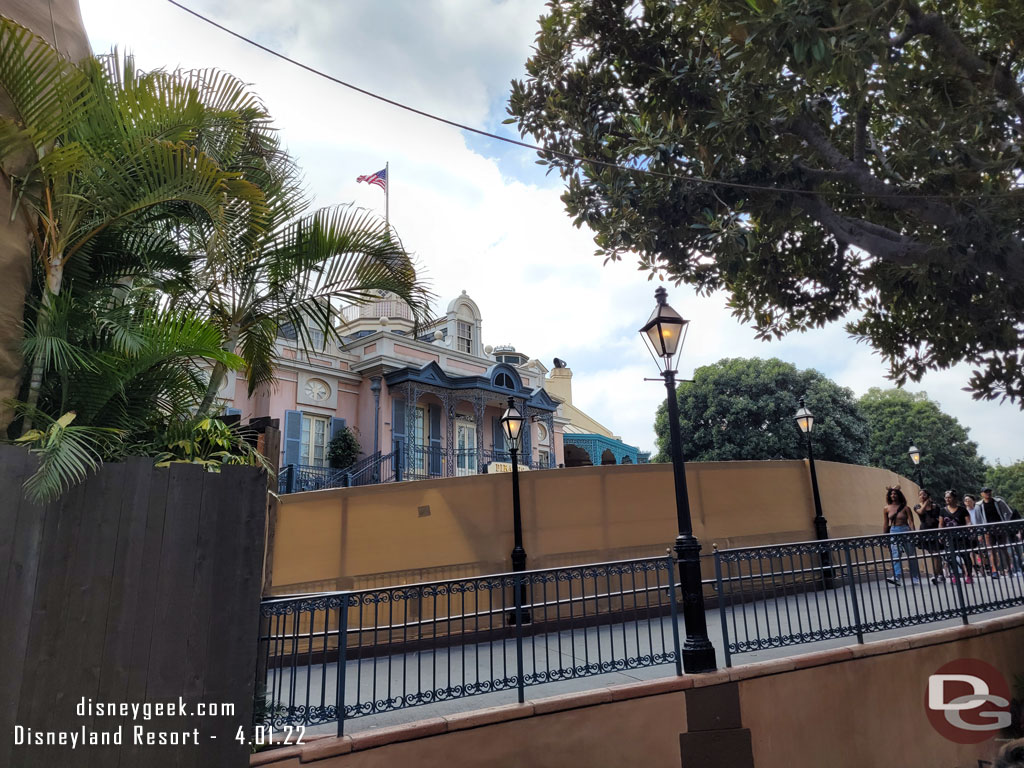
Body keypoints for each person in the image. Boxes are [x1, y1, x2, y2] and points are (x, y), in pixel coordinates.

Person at [883, 486, 921, 585]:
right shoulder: (886, 508)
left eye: (895, 493)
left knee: (911, 554)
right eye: (891, 494)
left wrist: (913, 534)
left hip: (905, 530)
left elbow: (911, 522)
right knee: (896, 554)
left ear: (899, 495)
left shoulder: (905, 508)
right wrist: (884, 537)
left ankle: (915, 576)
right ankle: (897, 576)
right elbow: (886, 523)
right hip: (894, 531)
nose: (893, 495)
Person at [978, 487, 1017, 577]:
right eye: (986, 492)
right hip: (988, 530)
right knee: (992, 551)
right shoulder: (979, 505)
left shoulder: (999, 502)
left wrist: (1004, 523)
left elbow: (1009, 512)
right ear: (982, 494)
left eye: (989, 491)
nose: (988, 493)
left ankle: (1009, 569)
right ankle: (995, 571)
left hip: (1000, 529)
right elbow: (978, 519)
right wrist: (981, 532)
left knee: (1004, 549)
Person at [939, 489, 973, 584]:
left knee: (965, 556)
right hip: (949, 537)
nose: (947, 499)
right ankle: (955, 575)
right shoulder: (943, 510)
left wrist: (969, 528)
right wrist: (940, 534)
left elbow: (968, 521)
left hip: (962, 536)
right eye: (946, 497)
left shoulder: (962, 510)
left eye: (949, 497)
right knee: (950, 557)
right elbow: (941, 524)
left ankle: (969, 575)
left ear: (954, 498)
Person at [914, 489, 944, 582]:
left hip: (935, 531)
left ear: (928, 495)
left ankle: (937, 575)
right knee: (934, 554)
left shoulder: (936, 507)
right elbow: (921, 512)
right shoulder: (917, 506)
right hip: (925, 532)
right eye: (920, 495)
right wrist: (925, 503)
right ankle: (940, 574)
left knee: (936, 554)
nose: (922, 496)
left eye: (924, 494)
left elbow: (940, 518)